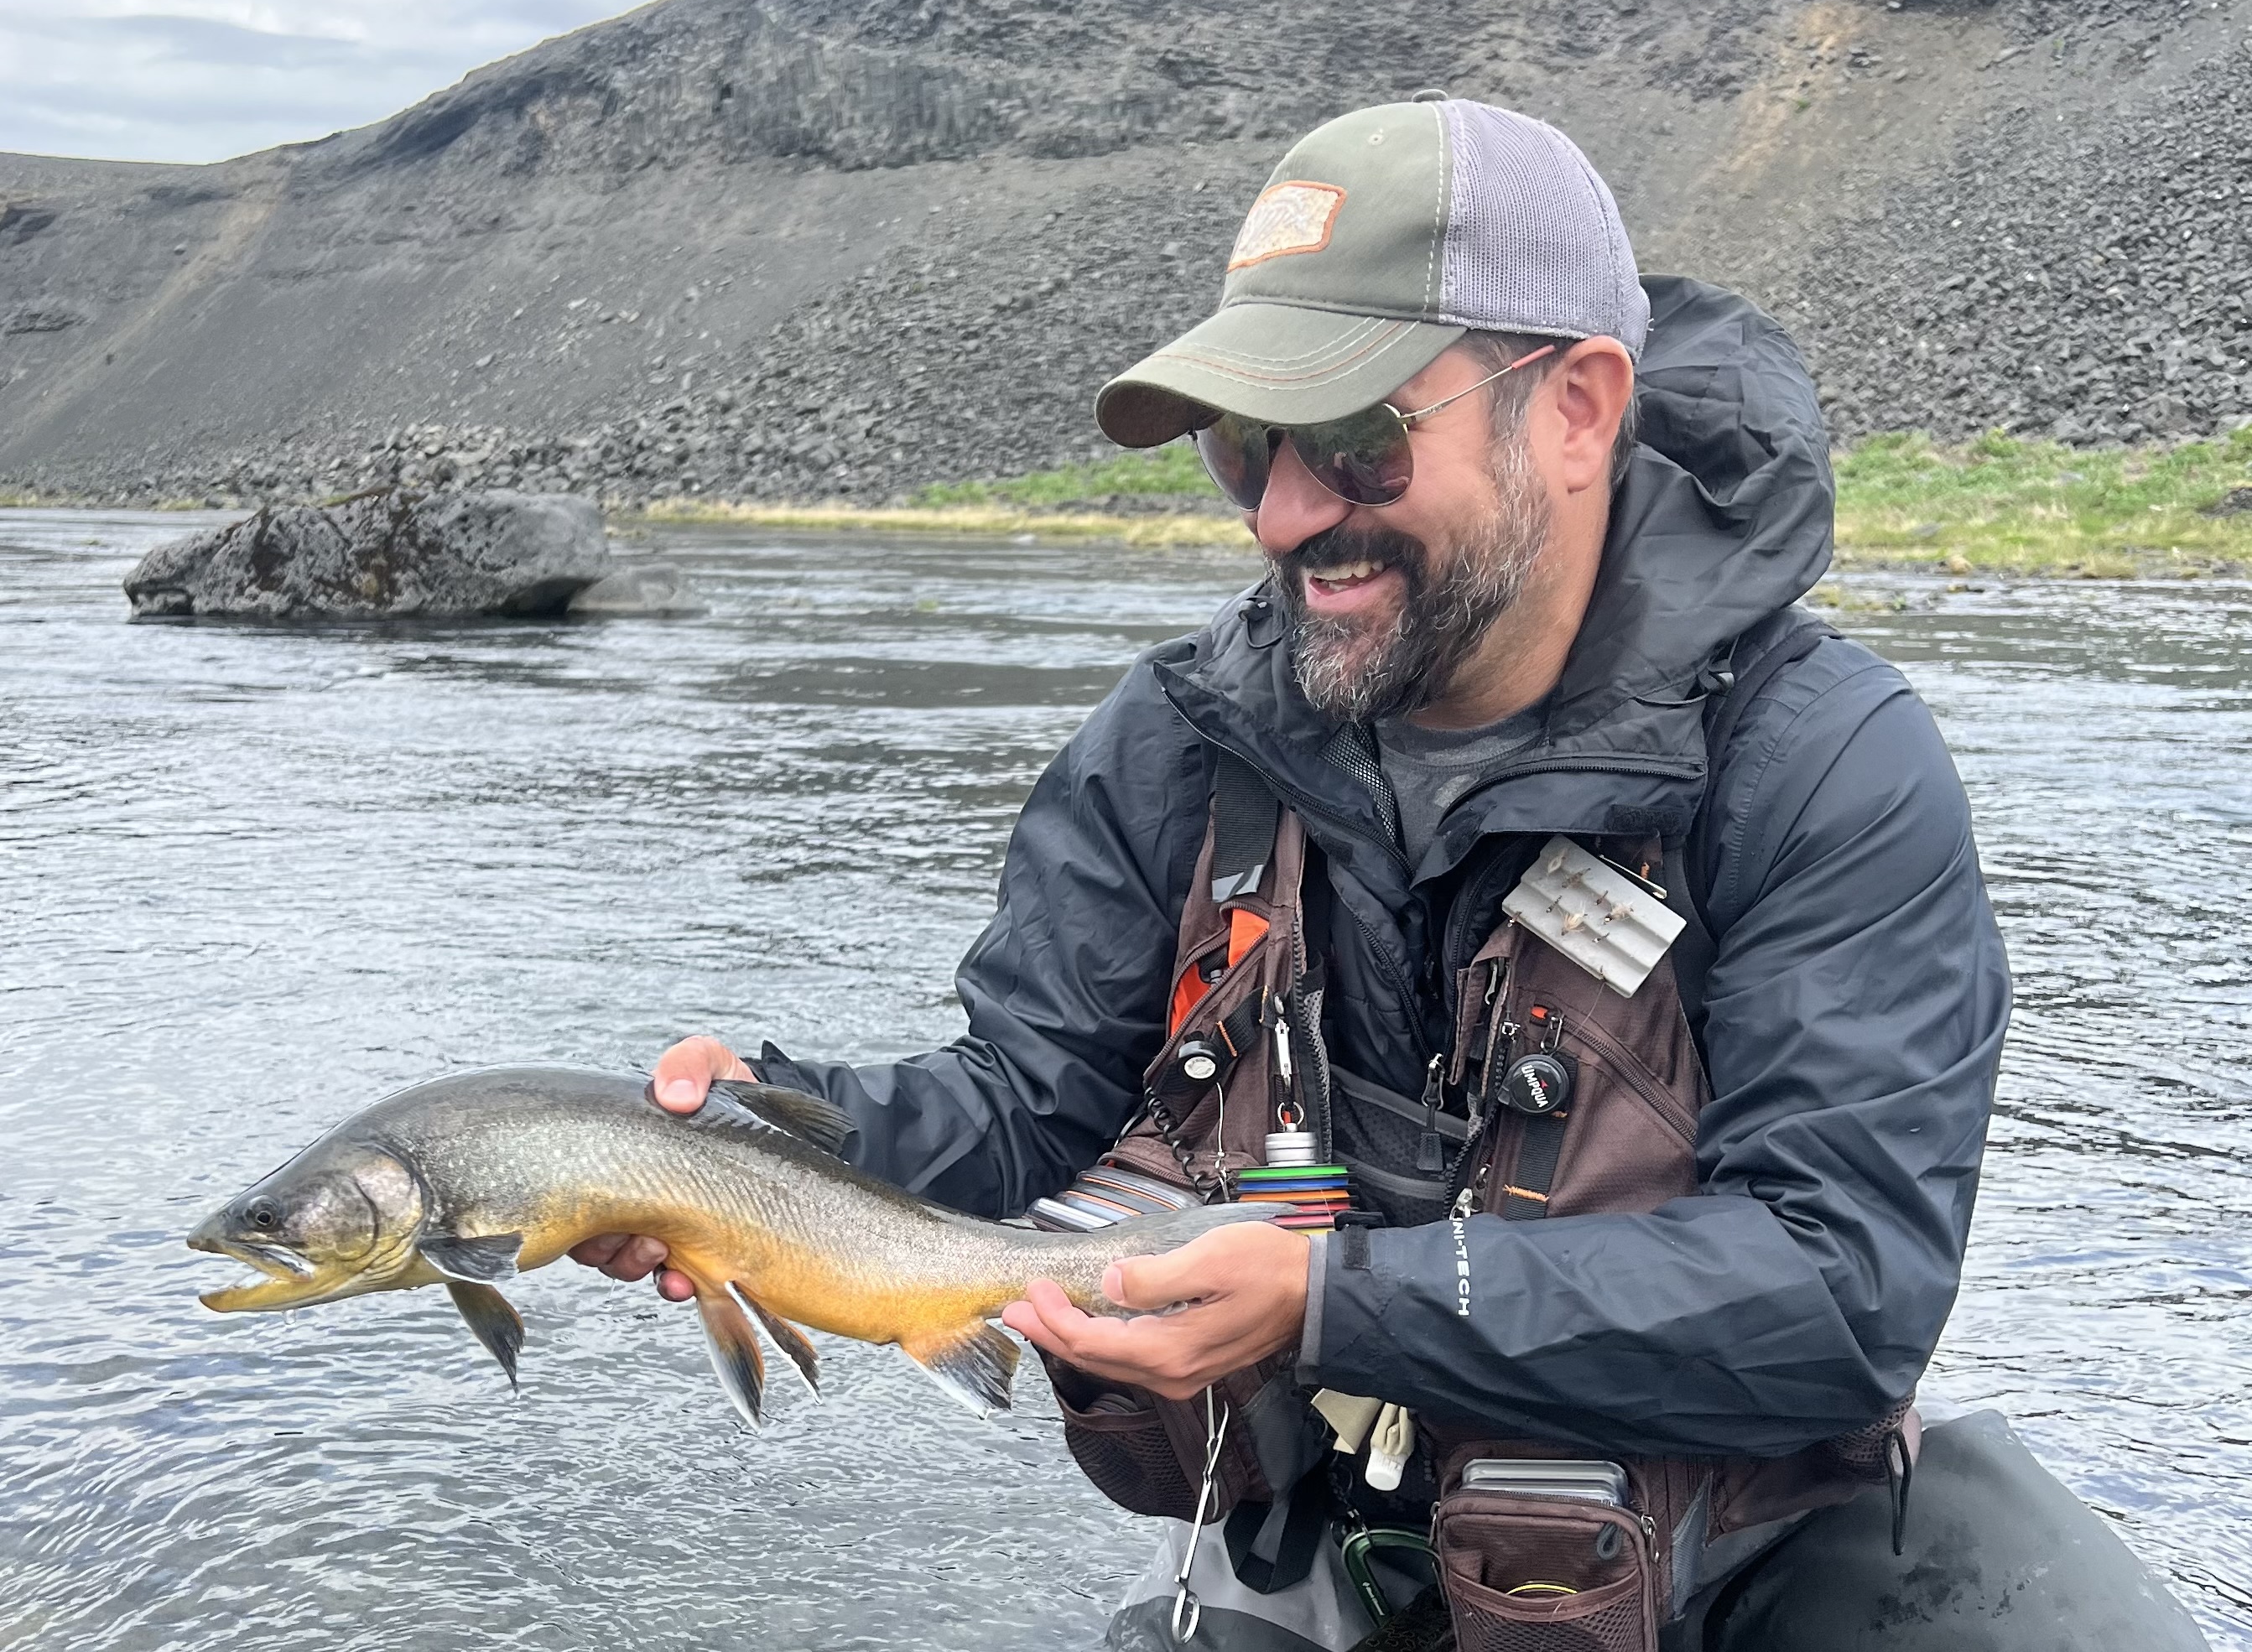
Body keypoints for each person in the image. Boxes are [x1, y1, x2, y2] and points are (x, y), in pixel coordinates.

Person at [571, 100, 2207, 1651]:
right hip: (1333, 1539)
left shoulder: (1816, 760)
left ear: (1571, 409)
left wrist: (1324, 1299)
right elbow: (1023, 1106)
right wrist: (766, 1142)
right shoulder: (1174, 742)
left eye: (1351, 442)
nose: (1284, 515)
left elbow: (1840, 1290)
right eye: (1241, 449)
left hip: (1731, 1562)